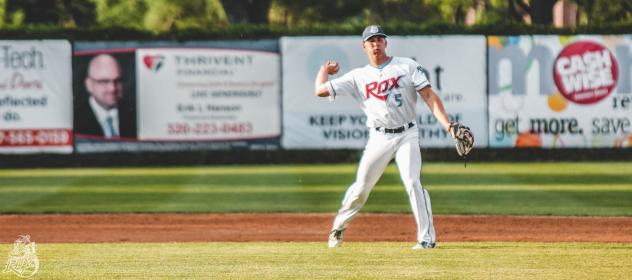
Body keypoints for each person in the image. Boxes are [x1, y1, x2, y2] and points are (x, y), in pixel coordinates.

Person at [314, 25, 454, 250]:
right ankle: (338, 227)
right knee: (361, 188)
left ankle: (426, 239)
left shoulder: (406, 66)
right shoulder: (358, 76)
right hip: (379, 137)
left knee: (413, 182)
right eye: (371, 41)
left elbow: (429, 95)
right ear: (364, 46)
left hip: (408, 133)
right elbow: (320, 90)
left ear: (386, 43)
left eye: (379, 39)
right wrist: (325, 70)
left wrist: (448, 125)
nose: (376, 44)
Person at [76, 53, 135, 138]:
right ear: (89, 84)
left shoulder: (135, 115)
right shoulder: (75, 119)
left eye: (117, 81)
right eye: (104, 81)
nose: (112, 88)